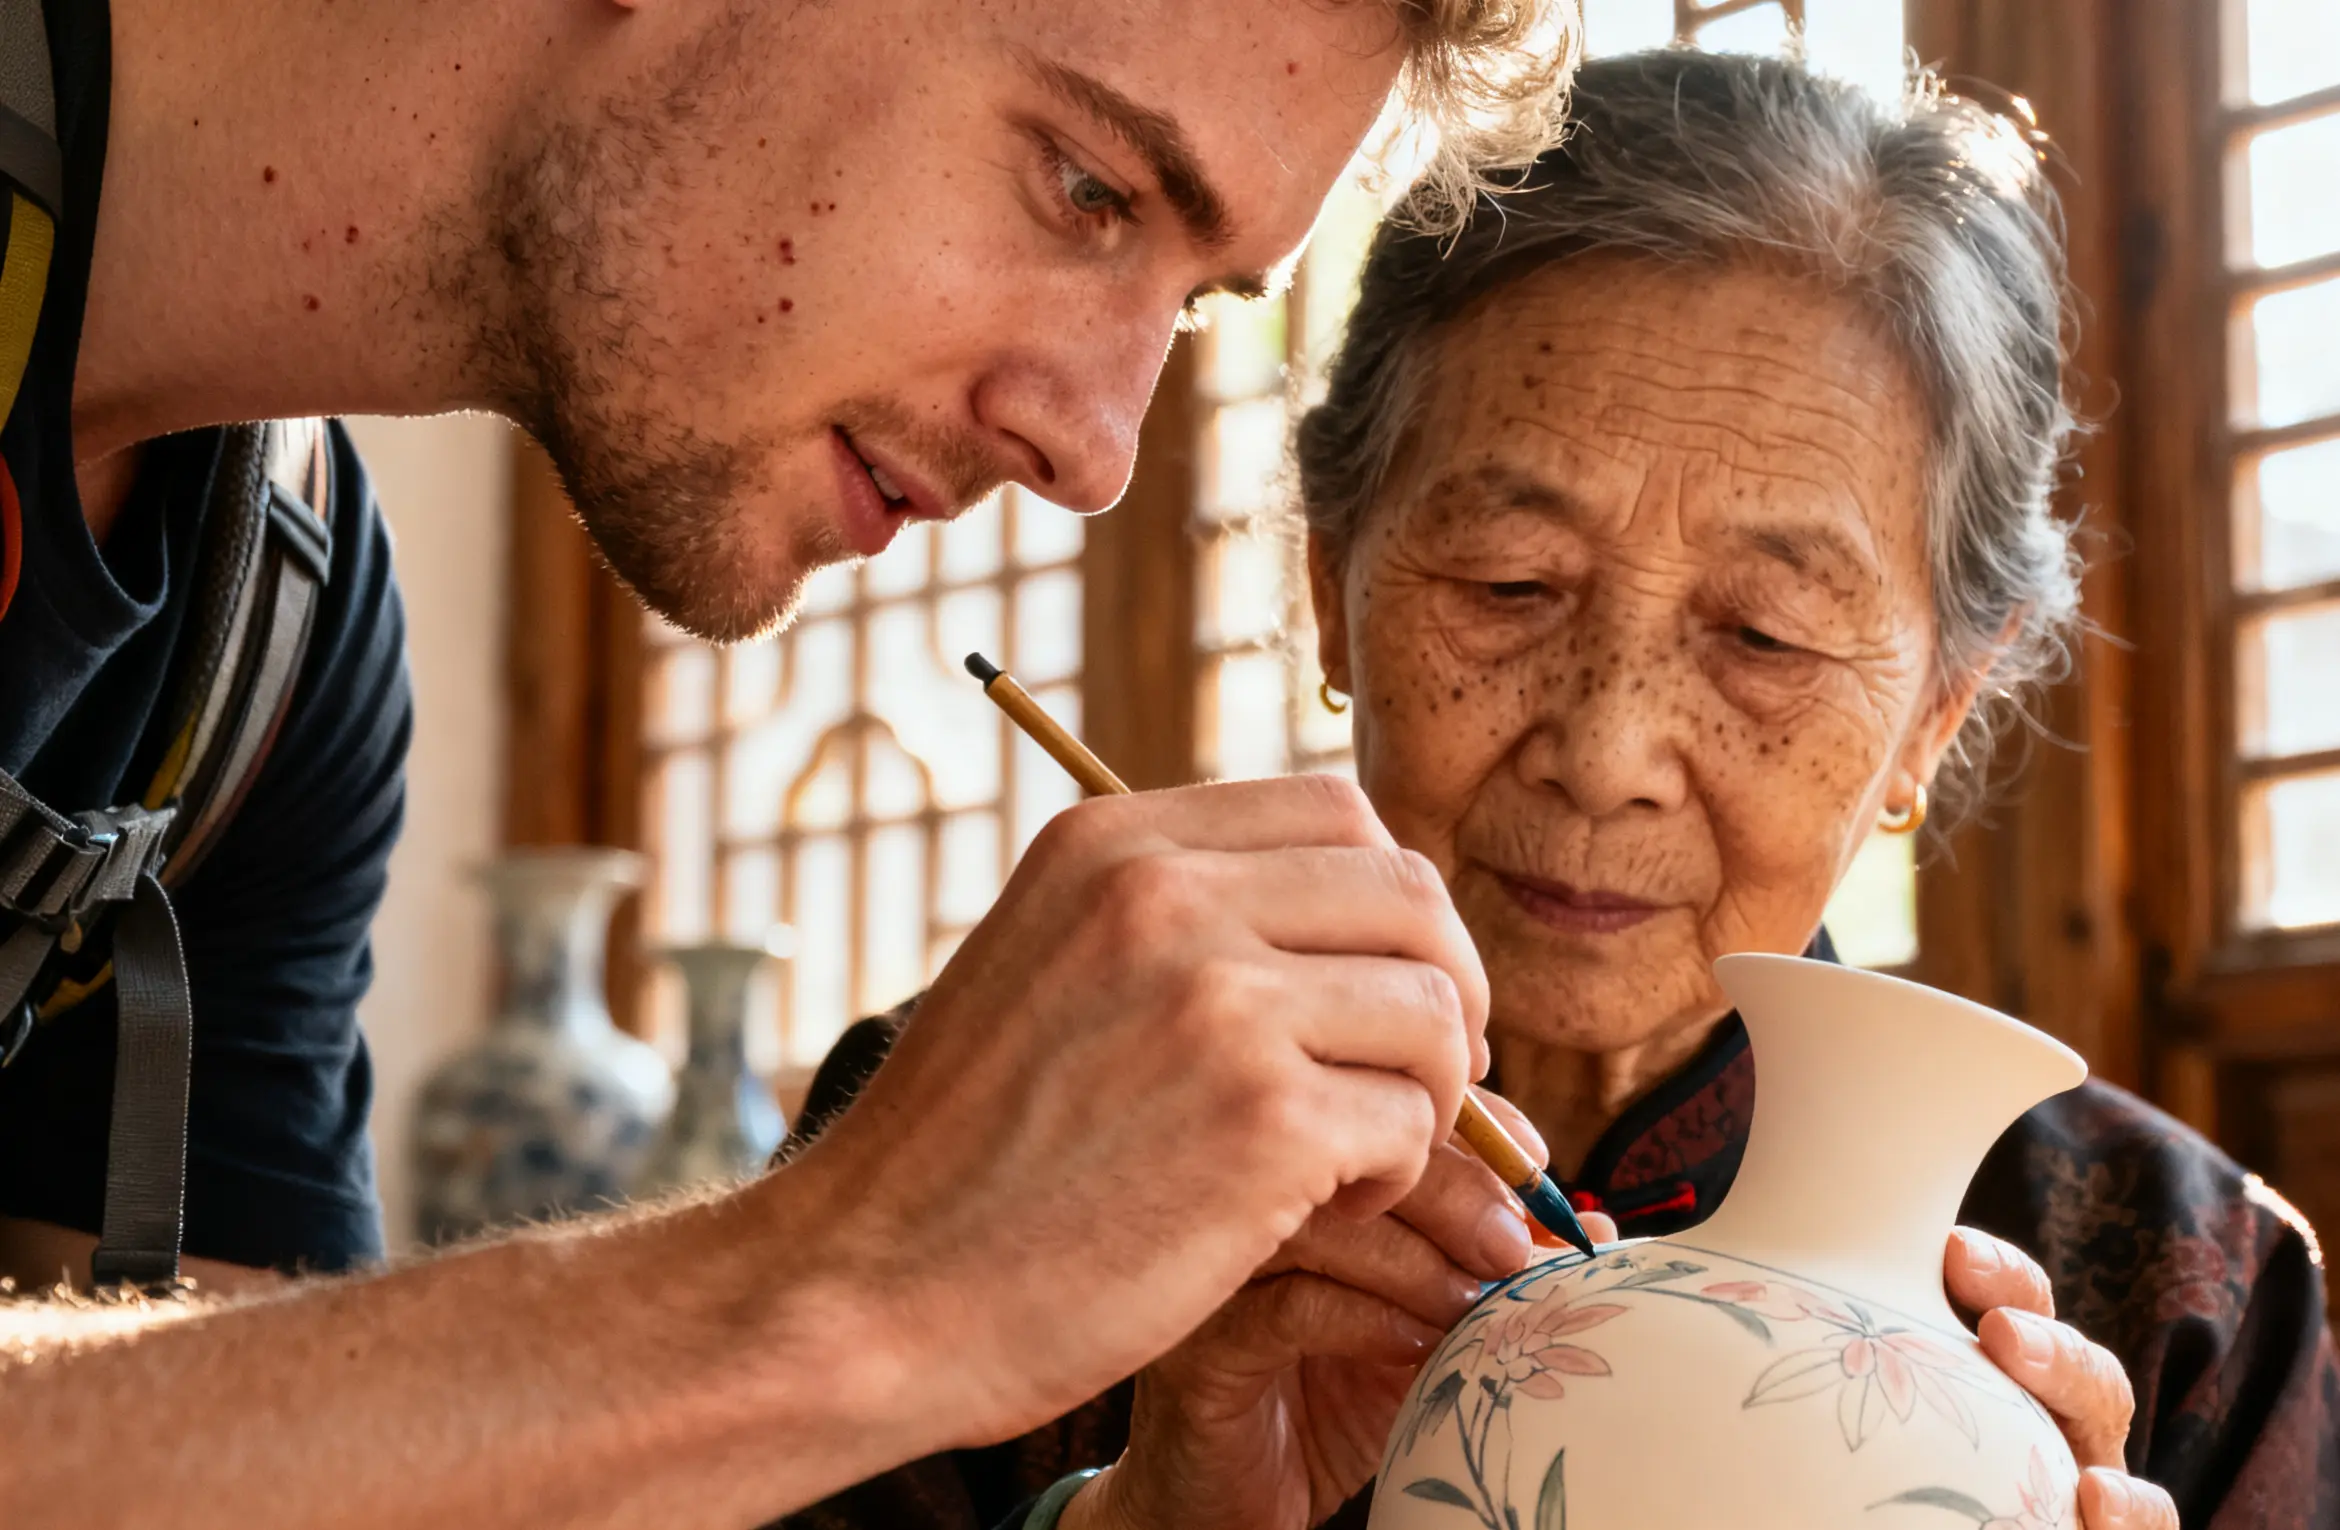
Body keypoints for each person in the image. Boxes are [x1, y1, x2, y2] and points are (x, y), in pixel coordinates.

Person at [0, 0, 1591, 1524]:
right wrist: (825, 1288)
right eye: (1086, 184)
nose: (1102, 451)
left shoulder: (272, 648)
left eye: (1186, 304)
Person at [778, 50, 2338, 1530]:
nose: (1604, 751)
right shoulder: (973, 1135)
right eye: (1512, 583)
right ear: (1333, 585)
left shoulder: (2178, 1289)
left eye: (1764, 633)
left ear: (1939, 708)